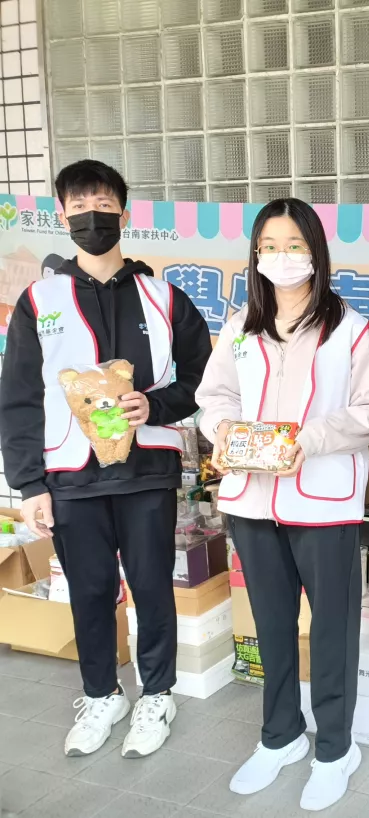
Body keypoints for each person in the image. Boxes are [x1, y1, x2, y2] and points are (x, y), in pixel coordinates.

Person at [0, 160, 212, 758]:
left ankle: (157, 694)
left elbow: (204, 378)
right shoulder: (39, 301)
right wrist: (29, 484)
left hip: (147, 473)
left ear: (124, 212)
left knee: (152, 586)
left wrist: (158, 404)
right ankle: (101, 694)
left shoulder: (164, 297)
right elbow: (19, 396)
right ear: (61, 215)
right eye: (79, 206)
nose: (92, 216)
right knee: (89, 591)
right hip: (70, 476)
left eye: (103, 204)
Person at [195, 198, 369, 812]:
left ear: (316, 251)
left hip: (323, 503)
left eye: (294, 245)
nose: (282, 257)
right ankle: (280, 736)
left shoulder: (349, 327)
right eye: (270, 246)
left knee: (332, 630)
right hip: (252, 503)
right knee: (272, 626)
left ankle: (335, 748)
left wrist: (309, 439)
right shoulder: (240, 327)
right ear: (256, 255)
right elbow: (214, 397)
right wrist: (223, 431)